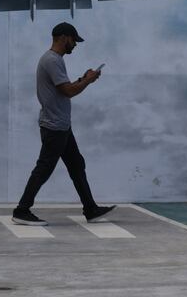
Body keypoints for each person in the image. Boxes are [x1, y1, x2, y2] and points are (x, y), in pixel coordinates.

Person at [11, 22, 116, 226]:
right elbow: (68, 92)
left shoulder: (54, 60)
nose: (75, 45)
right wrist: (88, 81)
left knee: (76, 165)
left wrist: (83, 79)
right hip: (54, 127)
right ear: (64, 37)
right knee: (44, 169)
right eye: (73, 40)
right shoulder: (52, 60)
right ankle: (21, 210)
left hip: (61, 126)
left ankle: (91, 209)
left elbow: (63, 88)